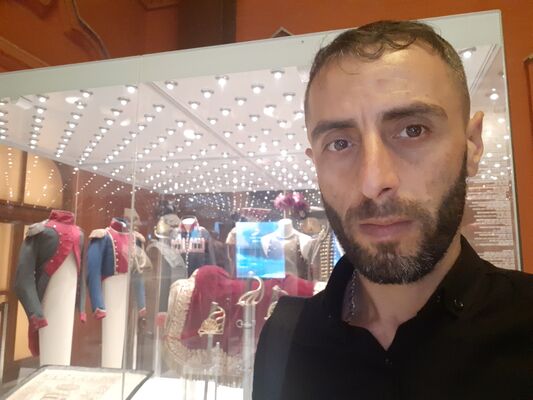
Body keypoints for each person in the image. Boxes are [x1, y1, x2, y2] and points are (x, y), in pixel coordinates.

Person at [252, 20, 533, 400]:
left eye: (413, 130)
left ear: (472, 146)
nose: (374, 181)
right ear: (315, 162)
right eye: (339, 143)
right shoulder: (284, 338)